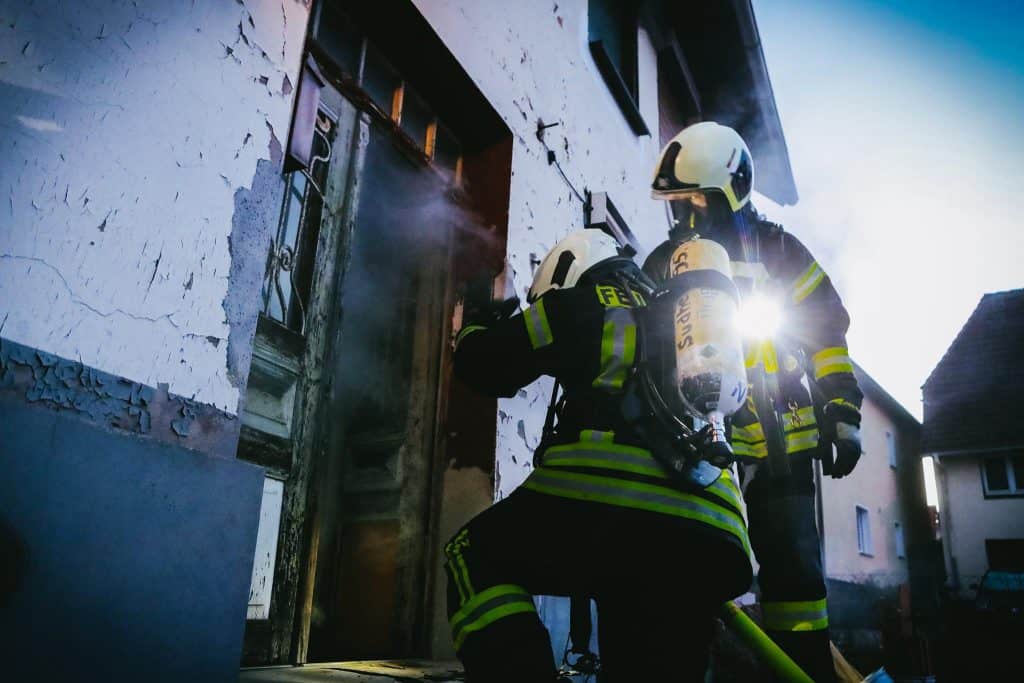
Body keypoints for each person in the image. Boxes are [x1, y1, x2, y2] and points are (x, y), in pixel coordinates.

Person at [444, 229, 753, 682]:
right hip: (715, 534)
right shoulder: (688, 322)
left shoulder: (579, 304)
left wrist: (475, 321)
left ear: (568, 271)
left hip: (609, 510)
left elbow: (486, 366)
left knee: (472, 554)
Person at [644, 121, 864, 682]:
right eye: (678, 203)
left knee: (796, 584)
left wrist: (842, 412)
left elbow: (825, 330)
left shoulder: (780, 251)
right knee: (691, 576)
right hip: (695, 450)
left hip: (780, 445)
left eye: (695, 200)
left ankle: (806, 671)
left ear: (730, 190)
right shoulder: (665, 261)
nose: (685, 215)